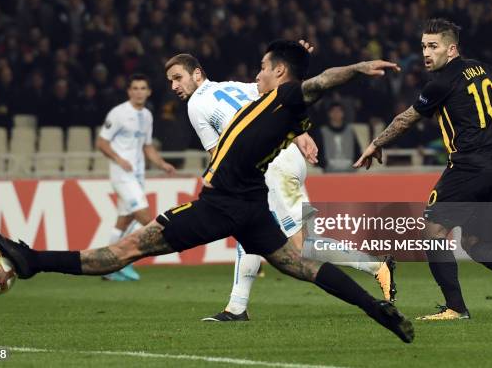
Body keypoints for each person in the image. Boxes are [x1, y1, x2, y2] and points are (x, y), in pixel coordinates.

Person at [0, 40, 414, 343]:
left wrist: (356, 69)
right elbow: (300, 83)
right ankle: (375, 309)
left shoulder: (283, 98)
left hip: (224, 205)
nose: (257, 74)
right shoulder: (264, 99)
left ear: (279, 75)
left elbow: (319, 82)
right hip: (251, 208)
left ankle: (33, 262)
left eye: (264, 68)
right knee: (300, 263)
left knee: (123, 251)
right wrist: (300, 70)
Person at [164, 47, 394, 322]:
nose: (174, 86)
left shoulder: (196, 105)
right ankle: (236, 307)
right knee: (249, 230)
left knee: (300, 247)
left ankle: (376, 267)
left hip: (273, 166)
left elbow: (219, 153)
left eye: (178, 78)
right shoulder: (233, 87)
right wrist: (301, 132)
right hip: (286, 158)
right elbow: (277, 99)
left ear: (197, 73)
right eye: (171, 81)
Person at [354, 19, 492, 320]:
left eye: (433, 46)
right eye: (424, 46)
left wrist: (375, 143)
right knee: (477, 242)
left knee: (433, 233)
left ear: (451, 49)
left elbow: (405, 120)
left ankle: (456, 307)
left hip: (467, 170)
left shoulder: (441, 82)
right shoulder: (486, 69)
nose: (426, 53)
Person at [95, 73, 176, 281]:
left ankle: (108, 268)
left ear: (148, 92)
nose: (139, 92)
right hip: (122, 176)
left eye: (143, 88)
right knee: (148, 221)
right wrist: (118, 159)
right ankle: (124, 262)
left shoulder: (147, 115)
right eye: (135, 88)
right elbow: (102, 143)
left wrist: (162, 164)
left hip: (138, 176)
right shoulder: (119, 113)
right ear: (129, 91)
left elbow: (147, 146)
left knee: (123, 222)